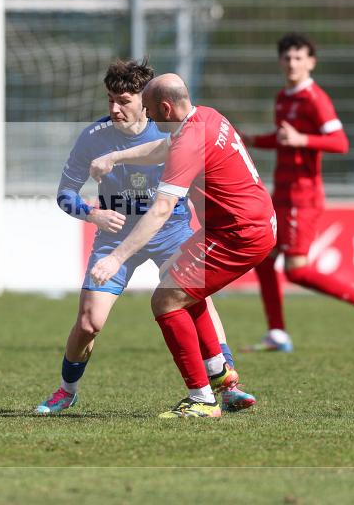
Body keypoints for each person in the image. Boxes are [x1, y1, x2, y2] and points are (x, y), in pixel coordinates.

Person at [36, 60, 256, 415]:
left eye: (123, 100)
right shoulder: (93, 137)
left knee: (194, 297)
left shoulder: (169, 129)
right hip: (115, 236)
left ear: (146, 100)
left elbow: (189, 183)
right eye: (109, 100)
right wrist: (93, 213)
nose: (114, 109)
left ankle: (228, 385)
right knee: (90, 322)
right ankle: (66, 390)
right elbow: (65, 194)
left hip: (170, 230)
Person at [89, 73, 276, 418]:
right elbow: (164, 148)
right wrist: (117, 157)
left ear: (164, 107)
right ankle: (221, 376)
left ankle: (201, 400)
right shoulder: (207, 116)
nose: (147, 118)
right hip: (242, 224)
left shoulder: (190, 139)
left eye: (149, 111)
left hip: (238, 233)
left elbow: (160, 209)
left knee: (166, 300)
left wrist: (116, 258)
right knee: (181, 285)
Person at [245, 33, 354, 352]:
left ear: (311, 62)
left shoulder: (314, 99)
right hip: (281, 193)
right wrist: (252, 140)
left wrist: (304, 140)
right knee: (265, 259)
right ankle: (277, 334)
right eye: (287, 58)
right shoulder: (284, 96)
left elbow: (340, 143)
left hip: (302, 197)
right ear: (280, 61)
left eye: (299, 58)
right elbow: (285, 138)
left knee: (296, 270)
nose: (292, 63)